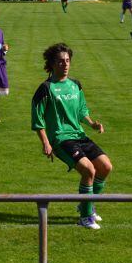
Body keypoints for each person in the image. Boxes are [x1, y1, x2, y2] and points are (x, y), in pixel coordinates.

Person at [31, 43, 113, 230]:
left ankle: (87, 204)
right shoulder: (46, 89)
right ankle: (85, 217)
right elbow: (38, 118)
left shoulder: (76, 85)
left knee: (106, 167)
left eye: (67, 61)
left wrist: (92, 123)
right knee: (89, 171)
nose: (65, 65)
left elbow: (81, 110)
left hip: (79, 135)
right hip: (61, 139)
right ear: (52, 64)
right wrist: (45, 142)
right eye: (60, 62)